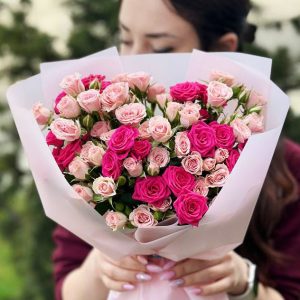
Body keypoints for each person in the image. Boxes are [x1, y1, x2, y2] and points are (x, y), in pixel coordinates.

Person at [52, 1, 300, 299]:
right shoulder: (93, 153)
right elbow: (66, 288)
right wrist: (101, 267)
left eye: (160, 49)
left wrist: (241, 281)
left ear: (221, 48)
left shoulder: (290, 171)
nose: (132, 62)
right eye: (126, 40)